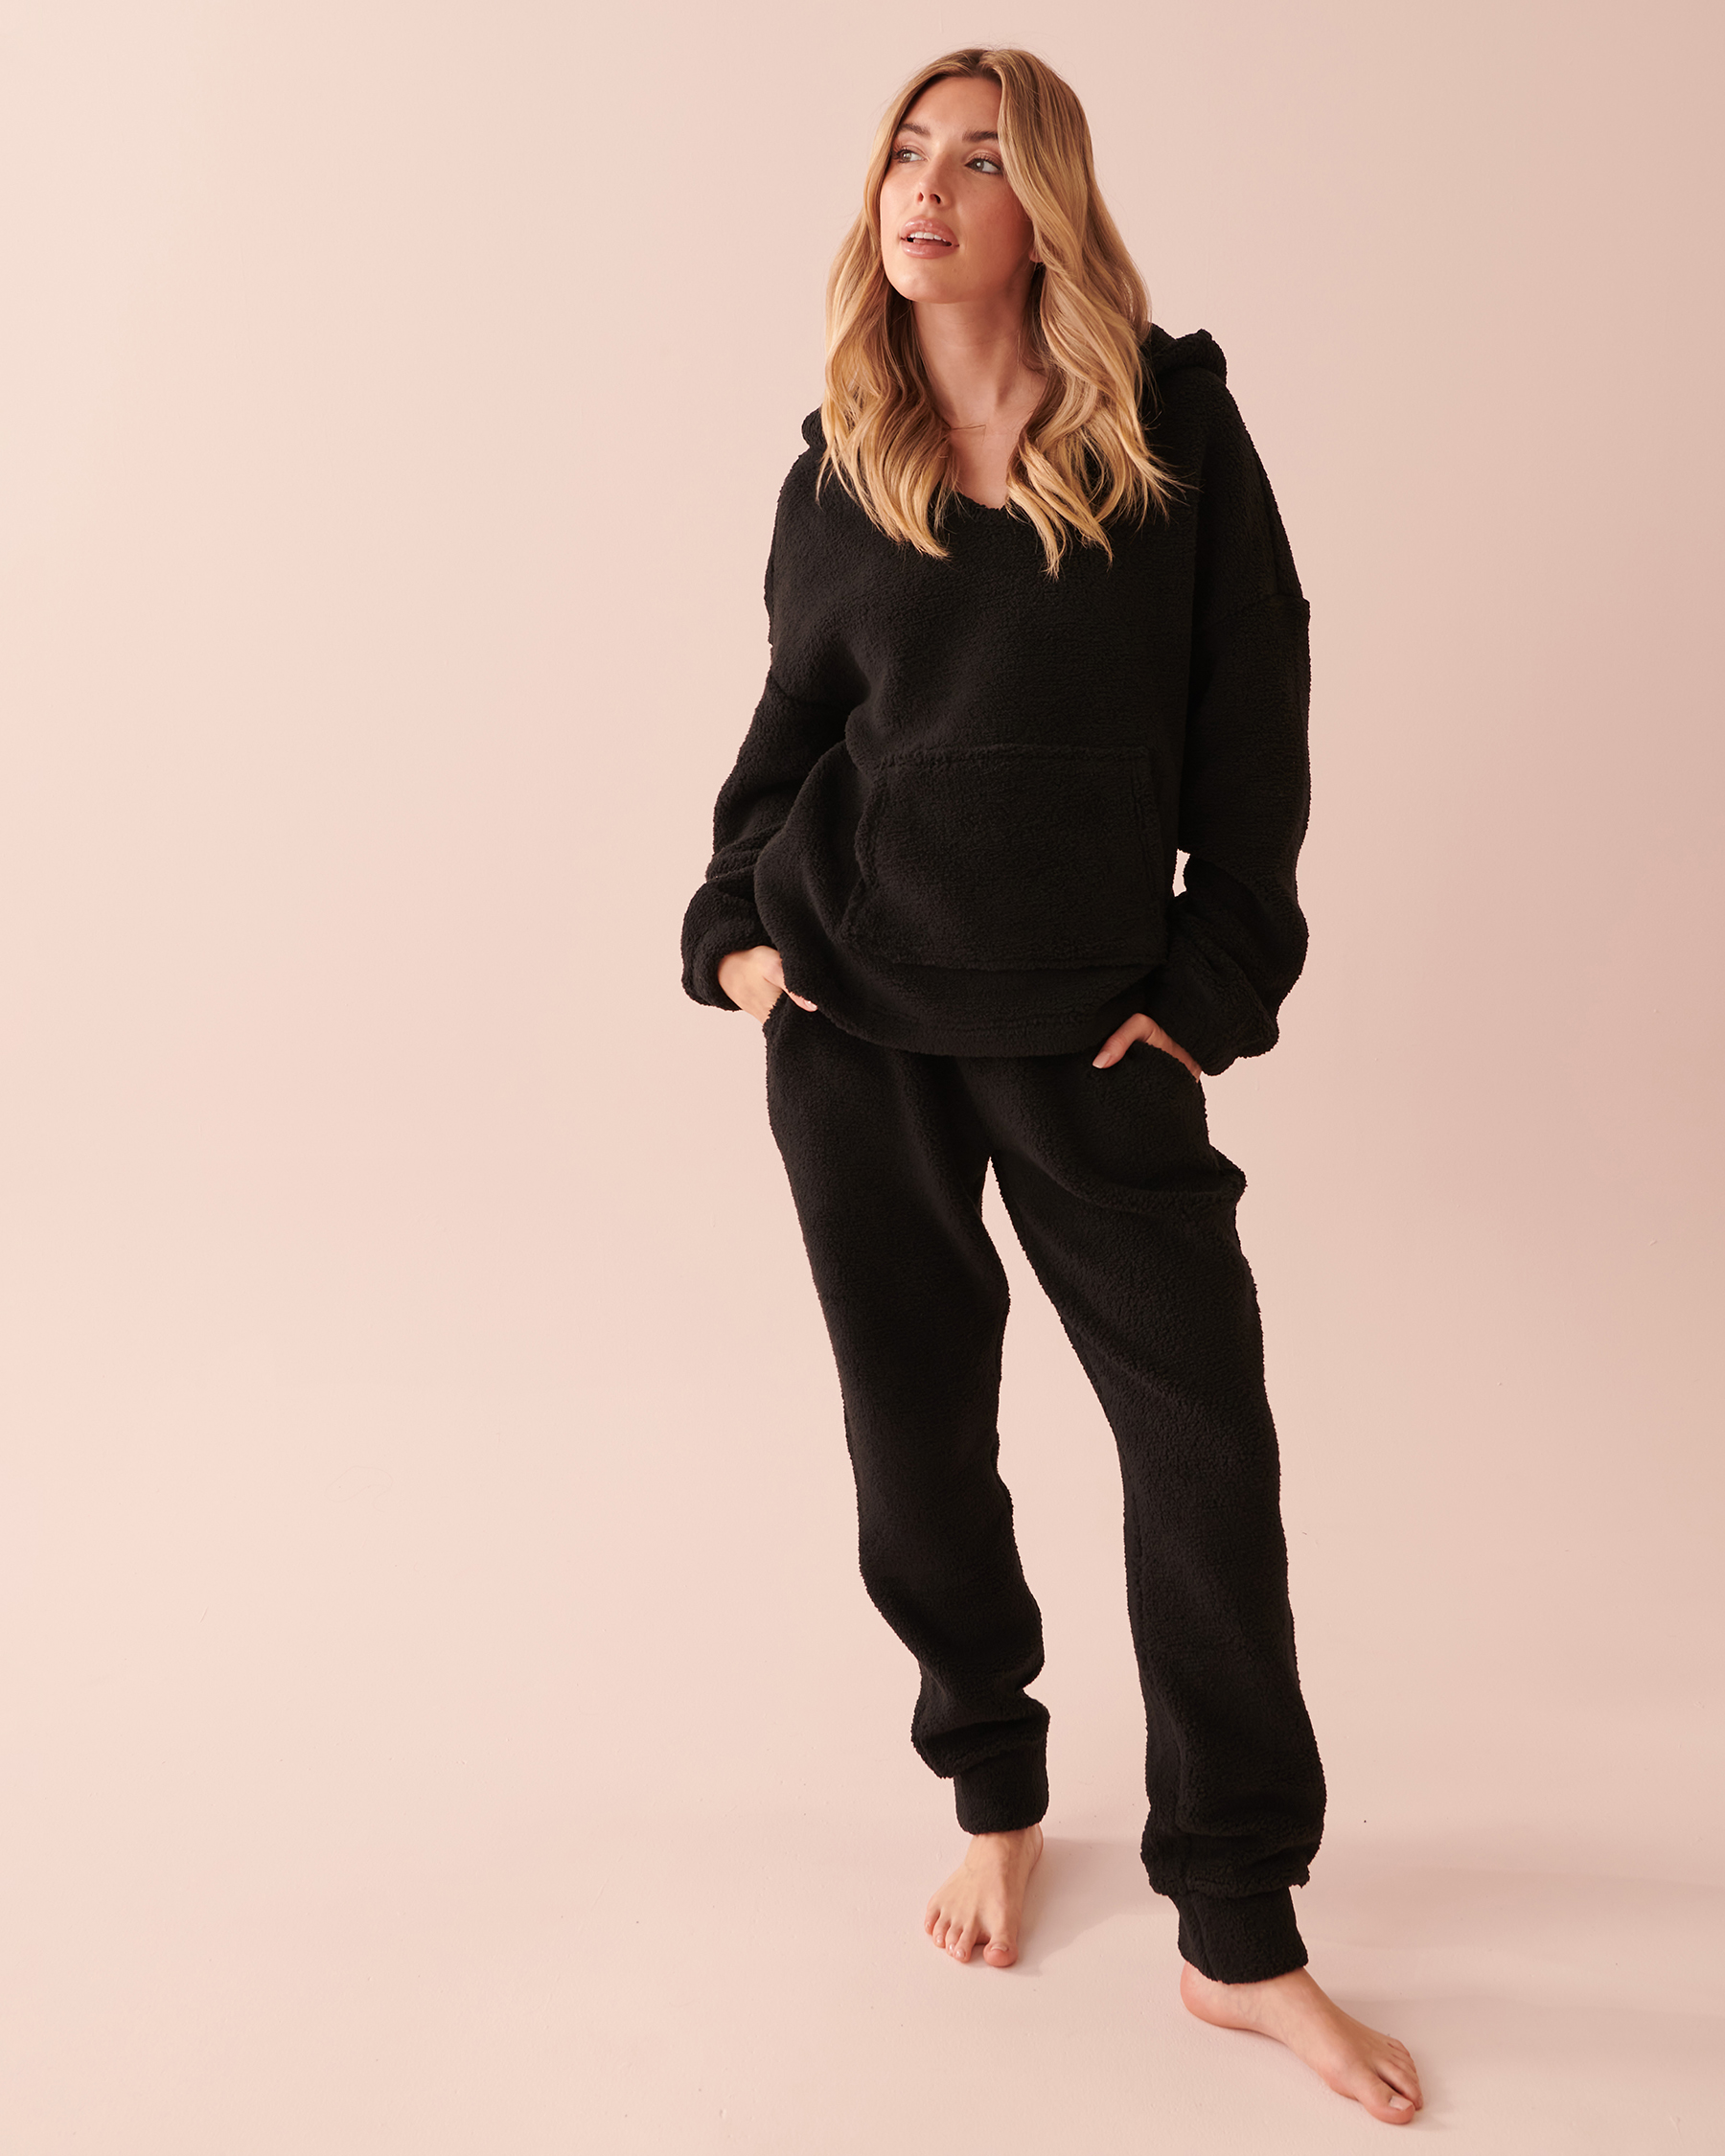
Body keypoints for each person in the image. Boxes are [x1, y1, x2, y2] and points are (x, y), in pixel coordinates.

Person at [679, 45, 1423, 2127]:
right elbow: (787, 741)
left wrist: (1210, 985)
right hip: (855, 1032)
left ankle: (1238, 1930)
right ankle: (995, 1793)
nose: (929, 188)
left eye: (983, 159)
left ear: (1051, 209)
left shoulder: (1172, 433)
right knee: (918, 1444)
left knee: (1203, 1455)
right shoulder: (843, 462)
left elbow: (1255, 718)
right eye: (907, 153)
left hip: (1094, 1037)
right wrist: (737, 942)